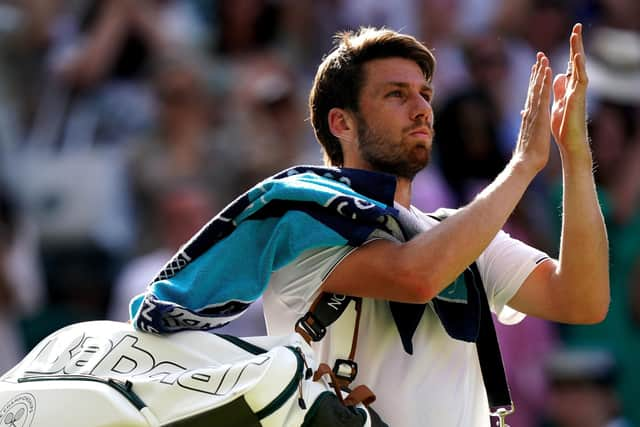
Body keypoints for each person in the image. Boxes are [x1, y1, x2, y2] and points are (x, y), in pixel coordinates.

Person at [129, 23, 609, 426]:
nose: (421, 108)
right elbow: (415, 276)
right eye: (396, 95)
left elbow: (582, 299)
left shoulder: (458, 233)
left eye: (424, 94)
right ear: (341, 122)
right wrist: (522, 166)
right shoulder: (304, 218)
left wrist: (574, 155)